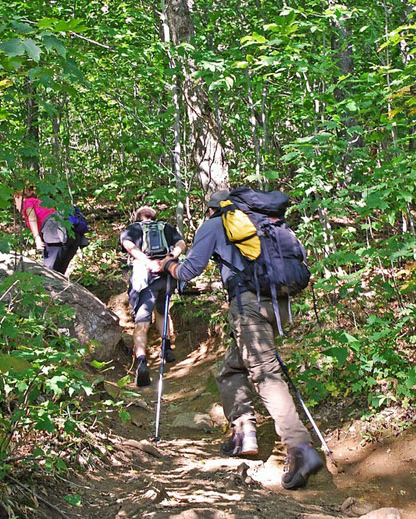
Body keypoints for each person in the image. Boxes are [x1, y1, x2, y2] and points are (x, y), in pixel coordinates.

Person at [163, 190, 323, 490]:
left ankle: (300, 448)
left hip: (247, 305)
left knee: (265, 375)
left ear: (210, 209)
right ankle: (243, 433)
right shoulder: (266, 222)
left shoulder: (215, 223)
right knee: (231, 369)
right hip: (279, 305)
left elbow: (189, 270)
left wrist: (167, 265)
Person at [120, 206, 186, 387]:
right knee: (163, 311)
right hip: (167, 276)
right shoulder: (166, 227)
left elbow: (129, 246)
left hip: (145, 279)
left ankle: (141, 361)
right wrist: (167, 259)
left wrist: (148, 262)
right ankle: (167, 348)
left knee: (142, 320)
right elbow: (182, 244)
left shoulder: (132, 229)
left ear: (138, 217)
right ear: (154, 217)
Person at [14, 187, 81, 275]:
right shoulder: (42, 203)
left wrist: (37, 238)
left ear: (20, 197)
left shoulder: (28, 202)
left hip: (55, 235)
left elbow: (32, 217)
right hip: (72, 234)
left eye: (15, 201)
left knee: (49, 273)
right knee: (59, 272)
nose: (15, 205)